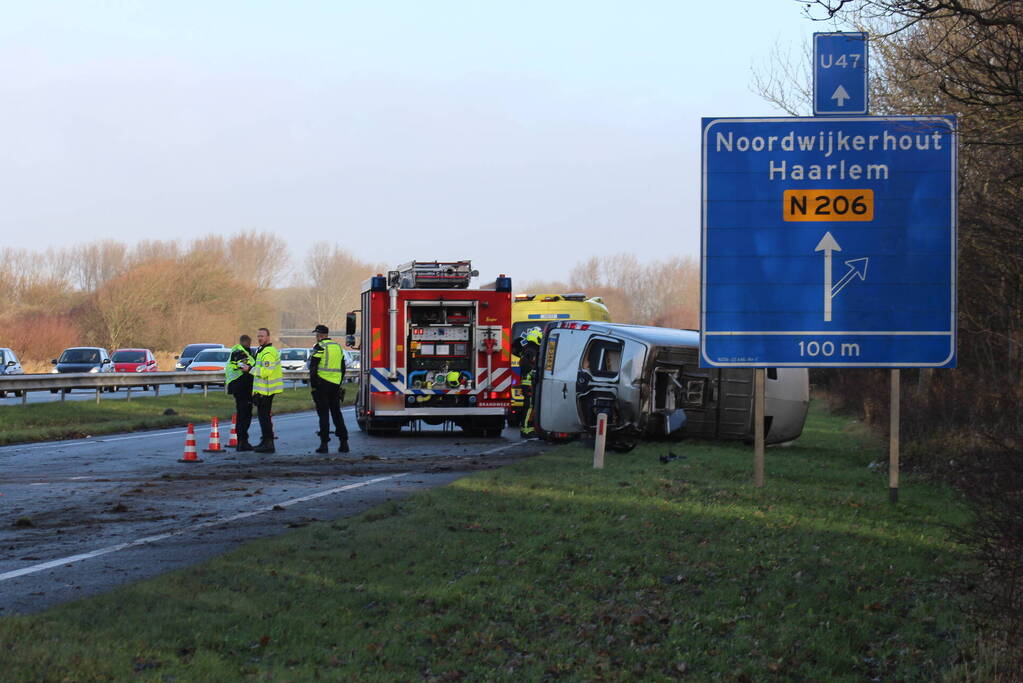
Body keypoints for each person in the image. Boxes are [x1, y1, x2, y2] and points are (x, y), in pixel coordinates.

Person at [309, 324, 349, 454]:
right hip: (335, 385)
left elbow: (313, 367)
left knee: (324, 414)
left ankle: (324, 444)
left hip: (322, 384)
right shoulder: (337, 347)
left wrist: (314, 385)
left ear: (320, 335)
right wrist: (339, 383)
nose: (316, 336)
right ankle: (344, 442)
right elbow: (343, 367)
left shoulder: (320, 346)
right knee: (336, 413)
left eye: (316, 334)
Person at [252, 327, 283, 453]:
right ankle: (265, 441)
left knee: (264, 417)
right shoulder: (262, 351)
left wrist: (249, 369)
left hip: (267, 390)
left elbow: (265, 372)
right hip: (263, 390)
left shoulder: (268, 352)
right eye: (258, 336)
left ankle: (269, 443)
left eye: (262, 336)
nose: (260, 338)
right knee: (263, 417)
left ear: (268, 337)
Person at [225, 334, 256, 451]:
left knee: (242, 414)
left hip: (238, 386)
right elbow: (248, 368)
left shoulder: (237, 351)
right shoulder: (240, 353)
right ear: (247, 342)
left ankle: (241, 441)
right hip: (241, 387)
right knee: (244, 415)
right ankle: (243, 442)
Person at [515, 327, 543, 438]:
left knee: (530, 406)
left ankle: (529, 428)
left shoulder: (528, 350)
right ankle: (526, 429)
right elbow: (527, 367)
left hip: (530, 383)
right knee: (529, 407)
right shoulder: (531, 351)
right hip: (529, 384)